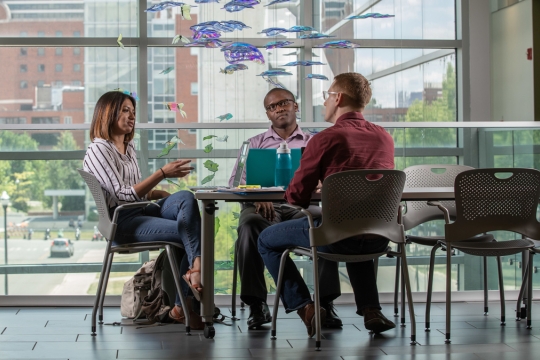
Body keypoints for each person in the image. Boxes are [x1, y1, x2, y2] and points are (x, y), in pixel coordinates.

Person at [258, 72, 396, 337]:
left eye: (326, 96)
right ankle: (371, 310)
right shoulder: (384, 138)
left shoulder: (325, 139)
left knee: (266, 239)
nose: (324, 102)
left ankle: (306, 308)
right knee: (358, 224)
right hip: (379, 236)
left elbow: (296, 196)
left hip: (336, 237)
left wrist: (317, 185)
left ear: (338, 98)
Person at [83, 91, 203, 328]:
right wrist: (161, 174)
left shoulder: (128, 148)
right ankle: (185, 302)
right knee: (187, 230)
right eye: (125, 110)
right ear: (108, 113)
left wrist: (167, 197)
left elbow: (142, 193)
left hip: (142, 211)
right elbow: (122, 194)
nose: (132, 116)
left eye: (133, 112)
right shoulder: (98, 150)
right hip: (122, 222)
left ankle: (194, 276)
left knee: (185, 198)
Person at [228, 88, 342, 329]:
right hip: (263, 209)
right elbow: (235, 183)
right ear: (268, 114)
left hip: (305, 207)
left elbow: (334, 177)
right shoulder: (254, 144)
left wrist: (323, 182)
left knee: (327, 222)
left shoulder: (315, 141)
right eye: (272, 107)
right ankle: (257, 305)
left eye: (283, 103)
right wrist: (257, 193)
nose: (279, 109)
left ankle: (325, 303)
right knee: (248, 226)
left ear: (295, 106)